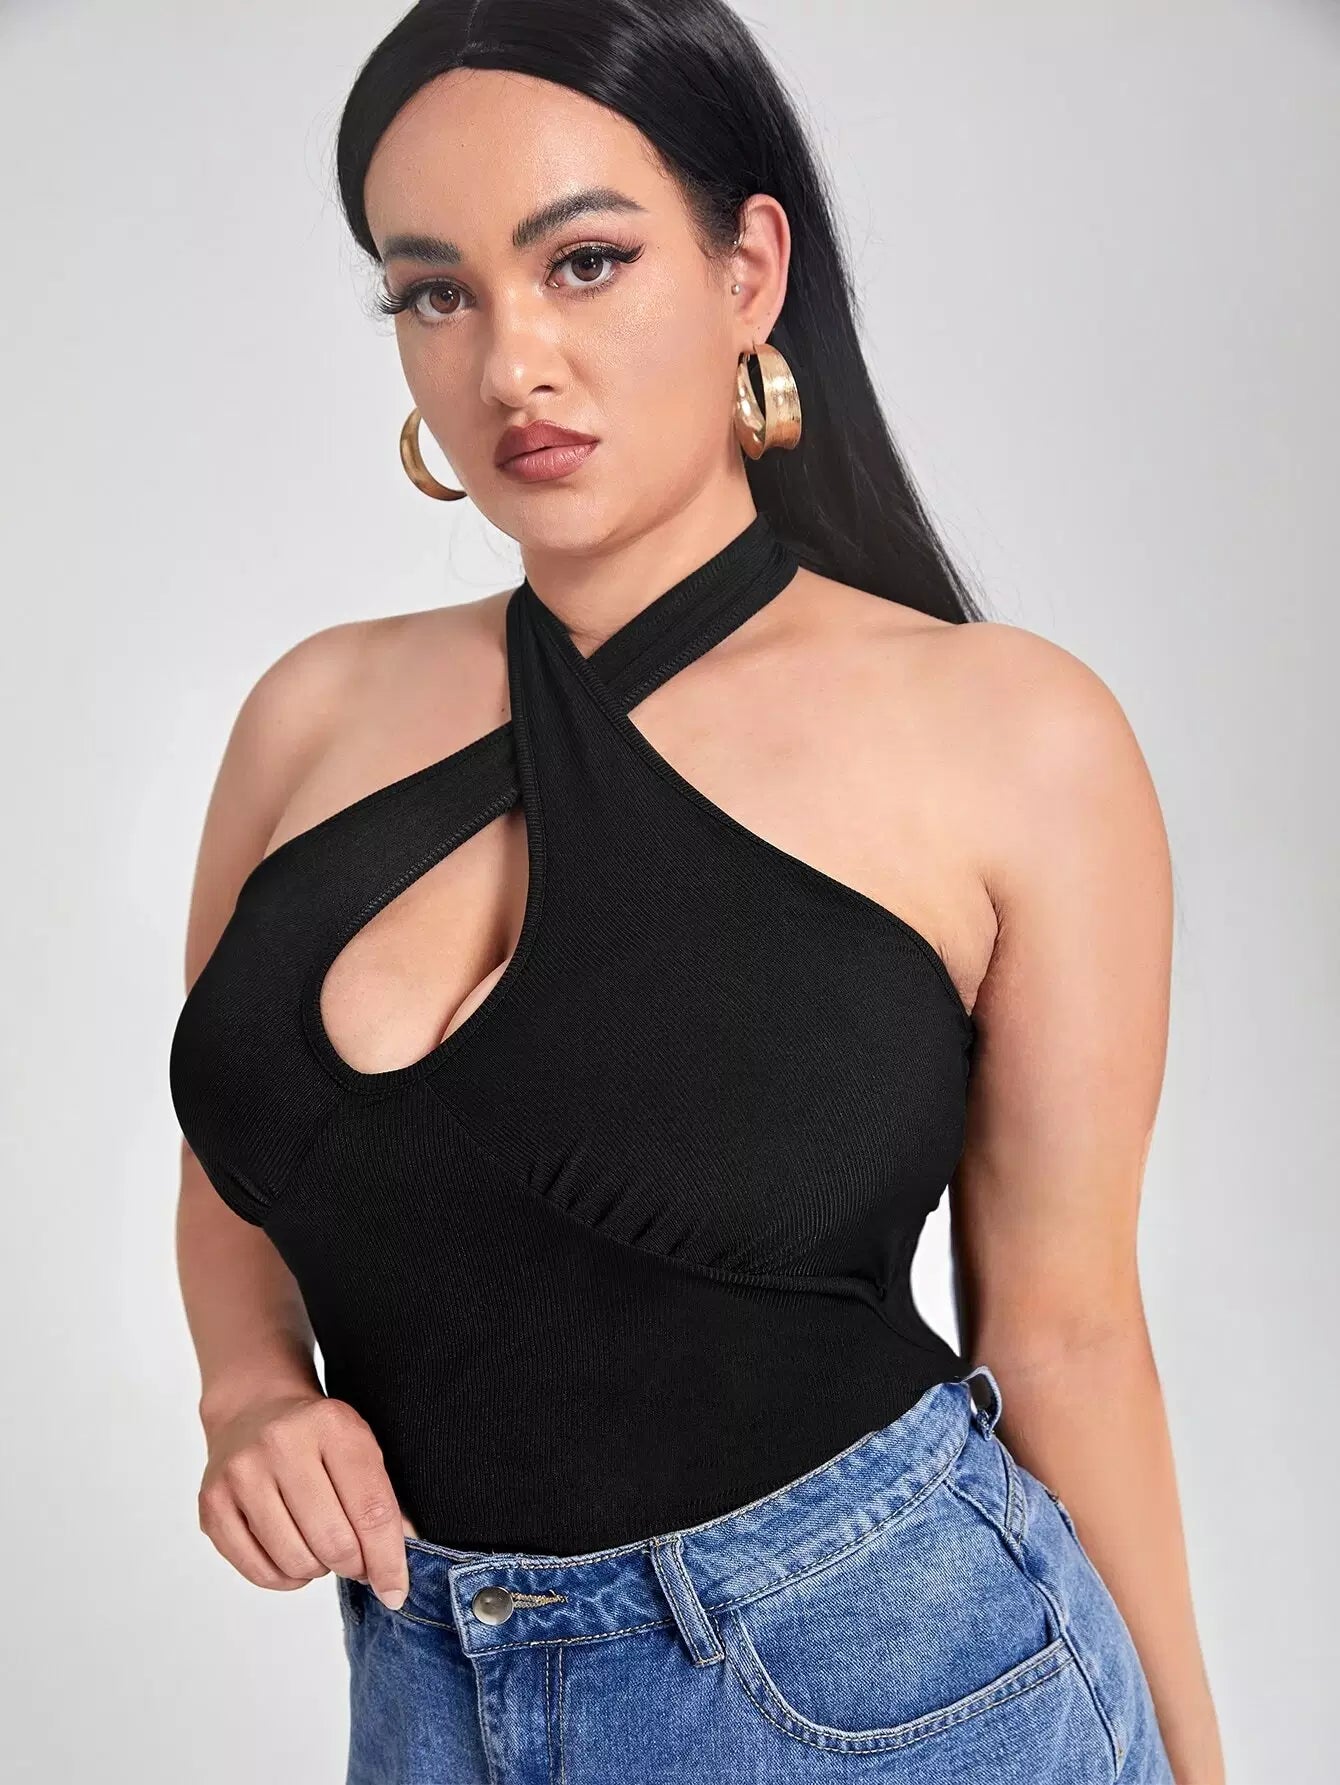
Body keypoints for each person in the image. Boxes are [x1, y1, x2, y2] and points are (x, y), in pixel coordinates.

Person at [170, 2, 1222, 1779]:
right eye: (435, 292)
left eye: (584, 262)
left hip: (894, 1694)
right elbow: (235, 1180)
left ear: (750, 272)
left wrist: (1197, 1764)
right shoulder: (311, 713)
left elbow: (1066, 1336)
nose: (512, 360)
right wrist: (253, 1390)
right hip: (433, 1691)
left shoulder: (1010, 735)